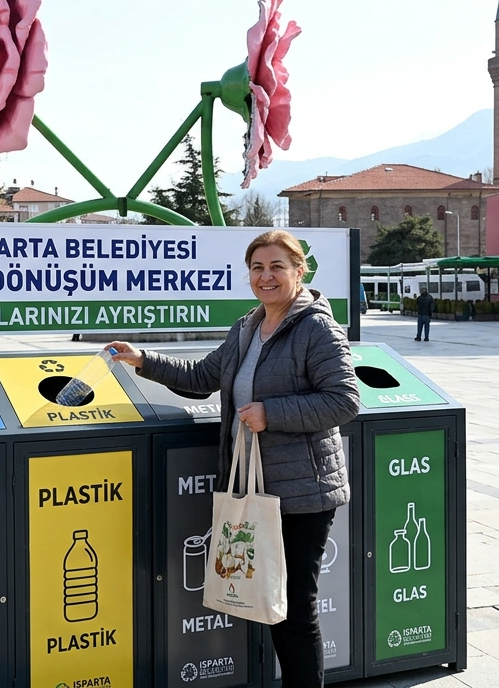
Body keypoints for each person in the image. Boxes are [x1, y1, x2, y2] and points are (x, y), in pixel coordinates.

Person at [106, 230, 359, 688]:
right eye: (258, 268)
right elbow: (204, 375)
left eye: (277, 267)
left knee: (295, 609)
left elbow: (344, 401)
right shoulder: (248, 326)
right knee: (268, 603)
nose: (266, 276)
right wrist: (142, 358)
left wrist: (272, 413)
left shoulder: (317, 328)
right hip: (258, 487)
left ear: (299, 272)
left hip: (304, 491)